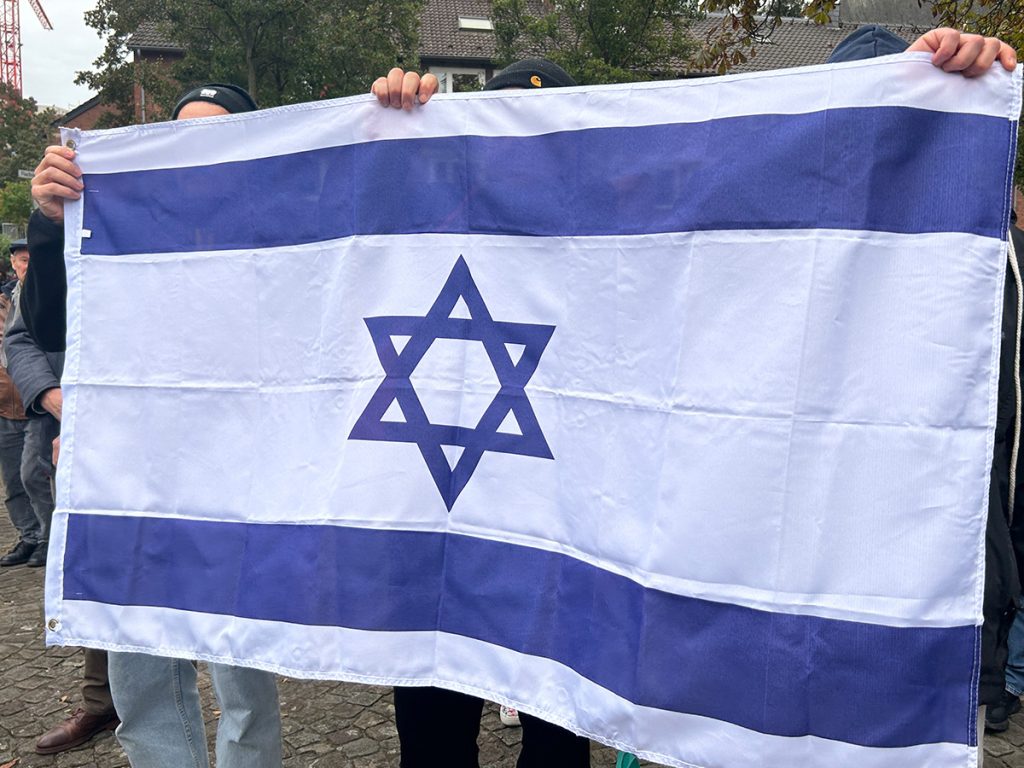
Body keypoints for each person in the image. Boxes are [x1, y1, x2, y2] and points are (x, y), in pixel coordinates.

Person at [373, 30, 1018, 767]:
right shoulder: (418, 232)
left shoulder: (635, 253)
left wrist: (952, 83)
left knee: (558, 742)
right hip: (446, 551)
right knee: (431, 743)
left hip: (568, 557)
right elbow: (345, 224)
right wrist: (398, 117)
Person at [23, 83, 284, 768]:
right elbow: (49, 325)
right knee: (139, 668)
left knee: (243, 667)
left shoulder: (286, 231)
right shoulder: (117, 218)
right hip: (133, 477)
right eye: (184, 133)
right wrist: (53, 224)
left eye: (219, 134)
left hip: (239, 480)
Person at [0, 238, 56, 568]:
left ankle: (50, 537)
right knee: (15, 480)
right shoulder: (9, 298)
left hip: (38, 402)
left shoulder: (44, 294)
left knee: (36, 474)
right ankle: (30, 535)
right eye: (21, 261)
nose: (26, 266)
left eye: (30, 259)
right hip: (6, 404)